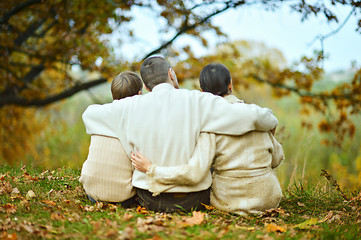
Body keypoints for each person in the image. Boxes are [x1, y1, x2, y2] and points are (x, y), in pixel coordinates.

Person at [82, 56, 279, 212]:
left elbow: (90, 115)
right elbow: (251, 117)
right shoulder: (198, 100)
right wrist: (271, 121)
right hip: (193, 199)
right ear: (171, 73)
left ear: (146, 86)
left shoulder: (129, 106)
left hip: (149, 198)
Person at [131, 63, 284, 215]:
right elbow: (277, 158)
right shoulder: (257, 117)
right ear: (230, 84)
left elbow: (194, 173)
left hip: (230, 201)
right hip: (268, 198)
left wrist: (152, 169)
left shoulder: (209, 126)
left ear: (203, 91)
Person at [79, 71, 143, 207]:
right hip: (123, 197)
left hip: (91, 191)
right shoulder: (137, 121)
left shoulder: (96, 115)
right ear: (139, 95)